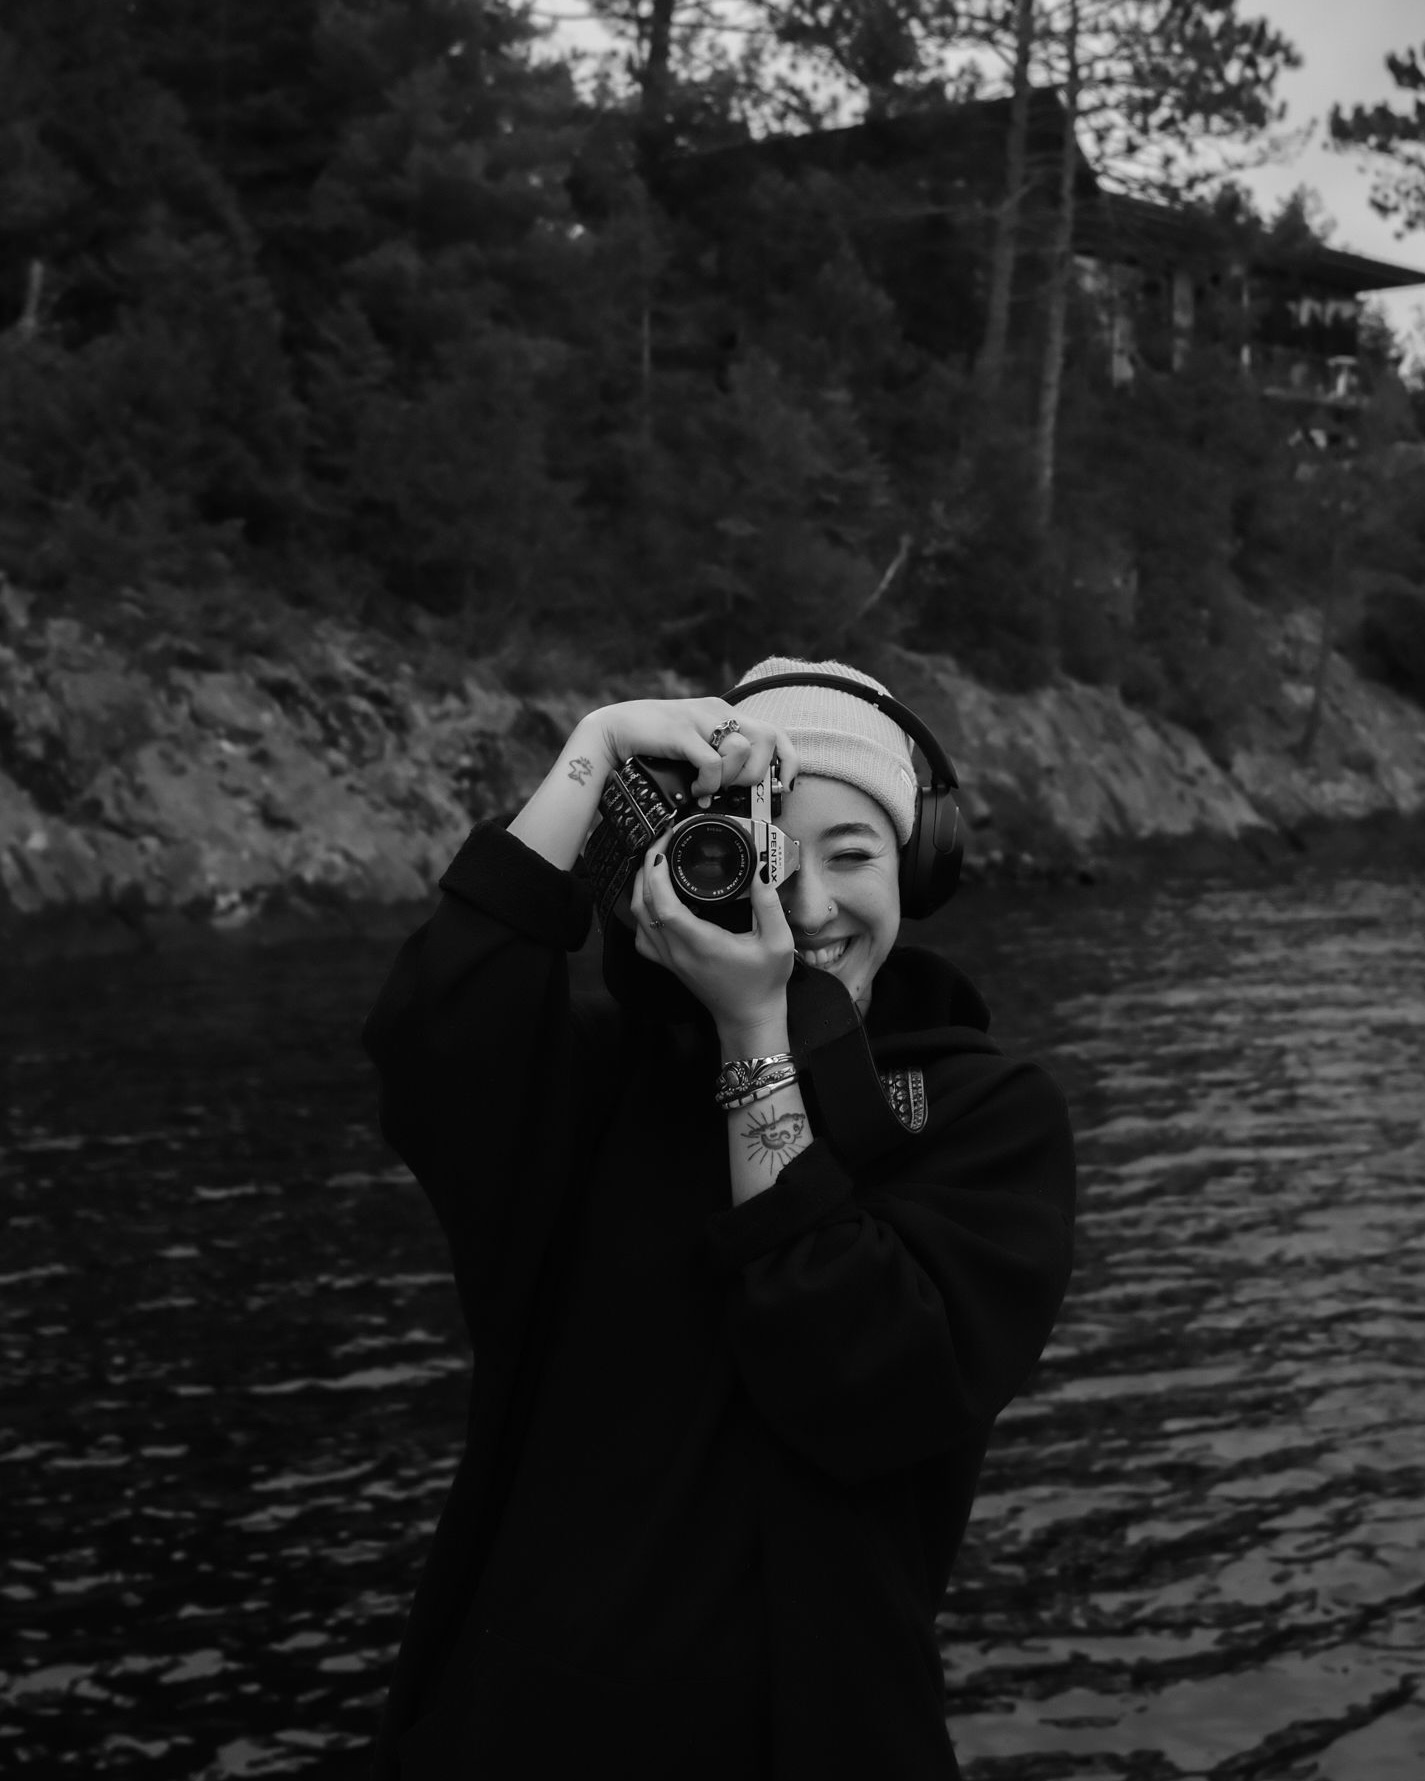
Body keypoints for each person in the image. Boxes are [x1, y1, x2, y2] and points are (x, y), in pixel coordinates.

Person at [362, 656, 1076, 1780]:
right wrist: (594, 751)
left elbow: (861, 1375)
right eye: (770, 856)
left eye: (854, 855)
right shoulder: (608, 1080)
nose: (810, 905)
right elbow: (433, 1044)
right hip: (521, 1727)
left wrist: (757, 1037)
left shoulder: (984, 1116)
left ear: (917, 868)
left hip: (822, 1735)